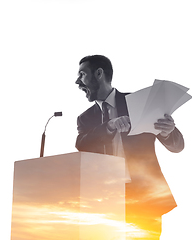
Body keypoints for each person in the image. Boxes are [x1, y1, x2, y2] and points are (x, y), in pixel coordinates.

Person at [75, 55, 184, 240]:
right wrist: (108, 127)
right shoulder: (85, 118)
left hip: (144, 196)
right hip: (105, 200)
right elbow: (82, 144)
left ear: (99, 73)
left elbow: (178, 145)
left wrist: (166, 131)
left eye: (82, 74)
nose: (78, 81)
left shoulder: (139, 102)